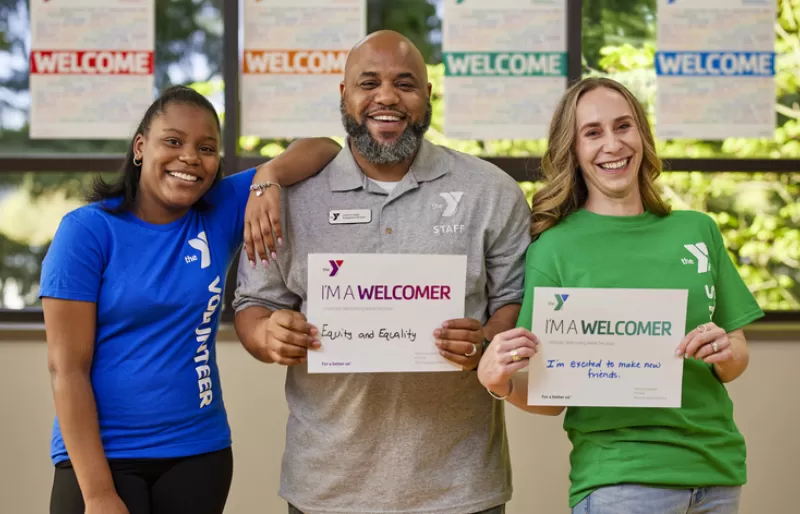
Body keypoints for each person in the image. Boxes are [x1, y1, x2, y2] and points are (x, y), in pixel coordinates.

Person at [232, 30, 531, 514]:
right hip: (326, 488)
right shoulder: (288, 198)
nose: (386, 97)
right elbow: (253, 305)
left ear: (428, 96)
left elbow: (513, 302)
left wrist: (486, 340)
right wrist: (267, 335)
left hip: (460, 489)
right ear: (344, 95)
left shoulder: (491, 193)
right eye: (368, 83)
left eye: (405, 83)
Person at [40, 85, 341, 514]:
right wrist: (99, 494)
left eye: (206, 147)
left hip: (198, 454)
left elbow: (324, 147)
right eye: (173, 141)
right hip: (100, 459)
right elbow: (66, 370)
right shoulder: (87, 231)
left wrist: (267, 178)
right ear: (141, 147)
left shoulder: (219, 209)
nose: (190, 157)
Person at [477, 77, 764, 514]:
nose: (612, 144)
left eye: (623, 126)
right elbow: (549, 395)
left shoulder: (697, 231)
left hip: (717, 473)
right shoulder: (554, 248)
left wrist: (725, 352)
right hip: (619, 479)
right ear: (572, 151)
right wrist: (496, 382)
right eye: (592, 133)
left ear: (643, 137)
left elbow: (736, 357)